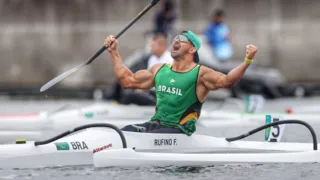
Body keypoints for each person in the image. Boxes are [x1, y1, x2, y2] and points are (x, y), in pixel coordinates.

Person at [104, 30, 257, 136]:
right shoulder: (159, 69)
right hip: (155, 125)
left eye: (182, 40)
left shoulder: (201, 74)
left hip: (179, 130)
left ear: (192, 49)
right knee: (123, 132)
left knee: (144, 135)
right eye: (175, 39)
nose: (176, 41)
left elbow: (227, 81)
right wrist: (114, 53)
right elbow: (128, 81)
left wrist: (247, 61)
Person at [108, 32, 173, 105]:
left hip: (163, 97)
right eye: (150, 45)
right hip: (151, 92)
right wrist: (113, 51)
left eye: (153, 45)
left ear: (163, 46)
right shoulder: (152, 58)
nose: (150, 47)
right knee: (128, 92)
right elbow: (130, 81)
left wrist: (143, 89)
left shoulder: (169, 60)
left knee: (132, 96)